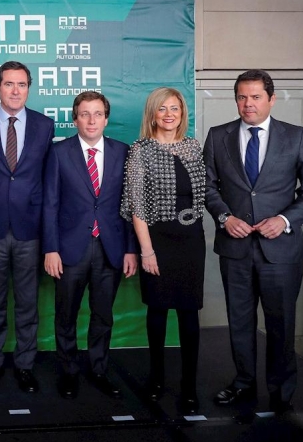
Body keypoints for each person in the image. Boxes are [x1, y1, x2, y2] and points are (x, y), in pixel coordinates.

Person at [204, 70, 303, 414]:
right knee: (240, 323)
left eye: (256, 97)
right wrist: (226, 218)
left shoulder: (296, 137)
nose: (248, 104)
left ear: (271, 99)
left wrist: (285, 220)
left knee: (280, 325)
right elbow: (208, 188)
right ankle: (244, 384)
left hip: (281, 251)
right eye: (242, 97)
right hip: (236, 248)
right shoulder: (218, 136)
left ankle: (281, 392)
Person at [44, 91, 138, 400]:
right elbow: (50, 204)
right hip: (70, 249)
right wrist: (51, 249)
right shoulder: (59, 153)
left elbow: (129, 207)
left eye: (97, 113)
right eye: (85, 114)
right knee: (66, 314)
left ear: (106, 118)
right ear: (75, 119)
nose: (92, 120)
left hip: (110, 248)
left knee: (103, 315)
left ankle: (98, 369)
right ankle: (69, 371)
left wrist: (129, 249)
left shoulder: (124, 153)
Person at [120, 87, 205, 414]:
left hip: (191, 241)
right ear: (152, 114)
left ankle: (189, 386)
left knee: (188, 314)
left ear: (182, 113)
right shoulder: (140, 150)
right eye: (162, 109)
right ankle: (156, 379)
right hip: (157, 240)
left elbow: (204, 193)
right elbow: (137, 205)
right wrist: (147, 251)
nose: (169, 114)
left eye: (175, 108)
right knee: (157, 310)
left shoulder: (193, 148)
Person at [0, 61, 53, 393]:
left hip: (30, 229)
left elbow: (49, 181)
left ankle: (24, 364)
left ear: (29, 88)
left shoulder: (44, 126)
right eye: (9, 84)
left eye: (22, 84)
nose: (16, 90)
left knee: (28, 302)